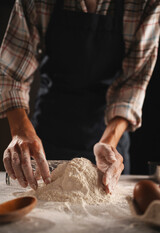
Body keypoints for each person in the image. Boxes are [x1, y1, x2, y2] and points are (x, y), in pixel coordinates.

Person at [1, 0, 159, 193]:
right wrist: (20, 130)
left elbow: (132, 85)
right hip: (47, 136)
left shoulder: (145, 3)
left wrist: (108, 143)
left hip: (108, 133)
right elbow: (12, 74)